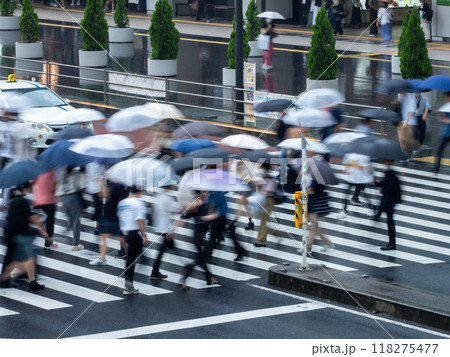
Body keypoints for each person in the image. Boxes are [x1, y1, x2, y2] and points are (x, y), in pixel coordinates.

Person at [0, 182, 47, 291]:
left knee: (14, 258)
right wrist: (41, 229)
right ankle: (7, 280)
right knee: (26, 259)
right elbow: (30, 217)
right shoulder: (23, 202)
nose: (31, 190)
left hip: (11, 233)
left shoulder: (14, 200)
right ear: (24, 189)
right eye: (29, 188)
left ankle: (5, 280)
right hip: (19, 234)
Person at [180, 190, 219, 290]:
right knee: (198, 261)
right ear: (200, 194)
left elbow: (184, 217)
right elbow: (186, 217)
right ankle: (184, 277)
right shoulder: (199, 205)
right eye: (203, 192)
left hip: (198, 236)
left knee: (200, 260)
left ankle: (209, 277)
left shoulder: (199, 205)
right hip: (198, 237)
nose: (205, 194)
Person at [117, 187, 149, 296]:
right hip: (134, 233)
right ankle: (128, 287)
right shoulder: (139, 203)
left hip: (125, 234)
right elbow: (139, 221)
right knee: (131, 262)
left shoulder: (123, 202)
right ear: (140, 191)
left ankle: (128, 286)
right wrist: (144, 235)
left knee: (130, 260)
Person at [89, 180, 129, 265]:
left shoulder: (118, 185)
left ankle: (129, 250)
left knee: (118, 236)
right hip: (107, 213)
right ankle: (102, 258)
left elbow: (107, 195)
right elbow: (101, 196)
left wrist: (102, 183)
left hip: (112, 214)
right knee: (104, 236)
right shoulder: (111, 183)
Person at [151, 183, 180, 279]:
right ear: (168, 186)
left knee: (169, 247)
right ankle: (155, 271)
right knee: (163, 250)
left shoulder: (158, 197)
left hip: (160, 226)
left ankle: (155, 271)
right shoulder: (167, 198)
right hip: (165, 228)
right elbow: (173, 211)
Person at [373, 159, 401, 251]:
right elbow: (385, 183)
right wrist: (376, 183)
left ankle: (392, 244)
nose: (384, 162)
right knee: (386, 220)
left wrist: (382, 190)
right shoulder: (388, 171)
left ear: (390, 162)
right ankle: (391, 243)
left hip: (389, 202)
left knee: (390, 223)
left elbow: (392, 188)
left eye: (386, 161)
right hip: (386, 201)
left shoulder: (391, 173)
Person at [56, 166, 86, 251]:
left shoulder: (62, 174)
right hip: (74, 197)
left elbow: (59, 189)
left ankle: (63, 234)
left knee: (71, 220)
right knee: (76, 220)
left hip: (65, 198)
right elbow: (80, 186)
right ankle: (76, 244)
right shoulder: (76, 173)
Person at [338, 152, 376, 218]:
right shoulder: (349, 154)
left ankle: (373, 208)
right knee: (346, 194)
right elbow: (347, 163)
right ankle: (344, 211)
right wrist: (346, 169)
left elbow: (367, 167)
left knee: (364, 194)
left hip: (359, 178)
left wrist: (357, 166)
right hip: (350, 177)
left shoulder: (363, 156)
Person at [305, 178, 334, 253]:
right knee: (316, 228)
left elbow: (316, 192)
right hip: (312, 207)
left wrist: (308, 191)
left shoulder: (316, 181)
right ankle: (327, 242)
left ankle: (308, 247)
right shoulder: (313, 179)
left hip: (316, 208)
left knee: (314, 228)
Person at [32, 170, 58, 249]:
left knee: (44, 219)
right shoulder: (51, 172)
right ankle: (48, 244)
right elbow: (54, 187)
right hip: (48, 201)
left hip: (38, 200)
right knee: (50, 223)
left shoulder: (36, 172)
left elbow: (32, 183)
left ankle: (40, 226)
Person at [254, 163, 277, 248]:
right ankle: (275, 232)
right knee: (263, 222)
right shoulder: (263, 179)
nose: (262, 171)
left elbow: (268, 192)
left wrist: (260, 188)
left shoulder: (271, 181)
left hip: (268, 202)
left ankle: (261, 241)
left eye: (263, 169)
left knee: (263, 222)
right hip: (263, 201)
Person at [433, 92, 450, 175]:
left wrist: (443, 118)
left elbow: (445, 120)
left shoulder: (447, 106)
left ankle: (436, 169)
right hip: (444, 132)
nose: (444, 99)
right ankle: (435, 169)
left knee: (439, 150)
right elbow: (440, 120)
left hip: (446, 133)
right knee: (439, 150)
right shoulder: (446, 106)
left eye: (446, 97)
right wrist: (438, 113)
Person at [397, 92, 418, 158]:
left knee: (408, 139)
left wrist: (406, 122)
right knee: (401, 139)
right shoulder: (401, 98)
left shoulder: (411, 98)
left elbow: (411, 111)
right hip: (401, 121)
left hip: (410, 122)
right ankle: (404, 154)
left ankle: (416, 148)